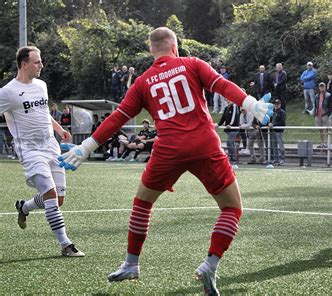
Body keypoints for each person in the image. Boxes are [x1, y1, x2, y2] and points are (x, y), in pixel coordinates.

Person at [57, 27, 273, 294]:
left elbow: (118, 117)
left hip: (168, 150)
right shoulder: (192, 63)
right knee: (231, 209)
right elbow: (222, 85)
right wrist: (251, 104)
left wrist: (86, 147)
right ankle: (210, 264)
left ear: (151, 50)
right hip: (205, 146)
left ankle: (131, 264)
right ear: (176, 46)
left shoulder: (143, 81)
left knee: (142, 203)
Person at [0, 46, 84, 256]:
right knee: (50, 193)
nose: (41, 66)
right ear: (24, 64)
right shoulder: (8, 92)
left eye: (41, 61)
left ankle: (24, 207)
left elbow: (43, 112)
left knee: (58, 200)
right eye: (37, 62)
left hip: (51, 146)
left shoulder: (41, 86)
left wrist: (59, 129)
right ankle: (65, 245)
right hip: (29, 151)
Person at [216, 99, 241, 164]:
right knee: (231, 143)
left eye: (228, 99)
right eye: (226, 99)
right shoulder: (227, 108)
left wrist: (230, 124)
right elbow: (223, 118)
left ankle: (233, 158)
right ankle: (232, 158)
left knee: (229, 142)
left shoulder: (234, 106)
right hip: (229, 129)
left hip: (234, 128)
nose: (227, 100)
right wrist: (218, 125)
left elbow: (234, 116)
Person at [269, 99, 286, 165]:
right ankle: (276, 159)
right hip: (273, 131)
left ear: (280, 105)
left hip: (279, 131)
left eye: (277, 104)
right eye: (275, 104)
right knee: (274, 146)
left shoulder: (282, 112)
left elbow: (282, 122)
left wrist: (274, 125)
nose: (276, 105)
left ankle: (282, 159)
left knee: (280, 145)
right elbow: (270, 120)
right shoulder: (272, 112)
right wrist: (269, 124)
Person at [314, 82, 331, 148]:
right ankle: (322, 142)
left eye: (323, 86)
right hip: (318, 114)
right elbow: (315, 105)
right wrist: (315, 112)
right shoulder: (316, 96)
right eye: (320, 87)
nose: (321, 88)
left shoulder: (328, 95)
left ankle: (327, 142)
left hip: (325, 113)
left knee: (327, 129)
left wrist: (328, 113)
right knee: (320, 129)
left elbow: (330, 106)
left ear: (325, 87)